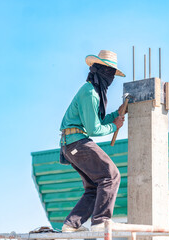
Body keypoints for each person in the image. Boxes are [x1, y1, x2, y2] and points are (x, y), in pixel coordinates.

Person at [59, 50, 127, 232]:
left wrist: (116, 115)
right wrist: (114, 126)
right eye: (108, 72)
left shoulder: (92, 92)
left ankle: (71, 224)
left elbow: (95, 121)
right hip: (76, 142)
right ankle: (100, 222)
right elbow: (93, 129)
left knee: (94, 186)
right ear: (98, 70)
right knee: (111, 176)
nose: (110, 77)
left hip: (71, 143)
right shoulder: (90, 93)